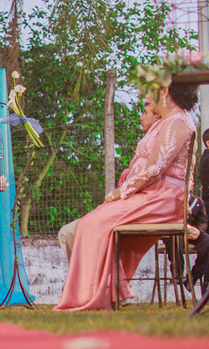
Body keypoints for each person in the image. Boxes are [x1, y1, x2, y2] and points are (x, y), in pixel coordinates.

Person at [56, 84, 198, 311]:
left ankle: (97, 294)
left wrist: (122, 191)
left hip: (164, 197)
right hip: (153, 193)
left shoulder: (179, 122)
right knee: (90, 224)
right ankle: (103, 292)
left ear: (167, 95)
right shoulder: (169, 121)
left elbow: (156, 168)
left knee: (95, 224)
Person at [59, 100, 162, 262]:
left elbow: (148, 180)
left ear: (157, 116)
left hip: (135, 211)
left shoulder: (159, 147)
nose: (141, 118)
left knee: (71, 233)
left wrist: (121, 192)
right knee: (67, 233)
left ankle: (90, 282)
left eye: (145, 113)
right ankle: (84, 282)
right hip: (124, 206)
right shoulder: (145, 151)